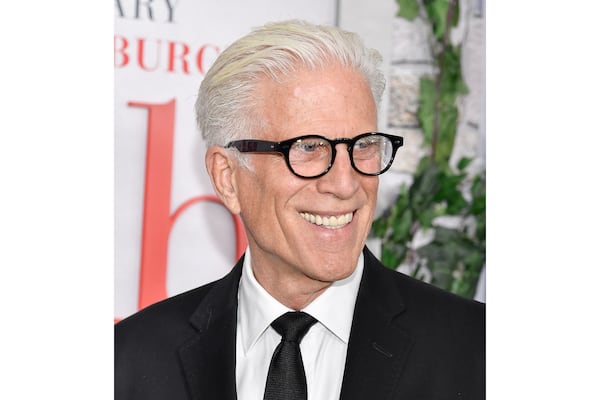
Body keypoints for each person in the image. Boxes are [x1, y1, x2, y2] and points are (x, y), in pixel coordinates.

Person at [115, 20, 485, 400]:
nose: (345, 184)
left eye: (364, 145)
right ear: (227, 177)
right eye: (308, 147)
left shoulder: (476, 352)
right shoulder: (129, 361)